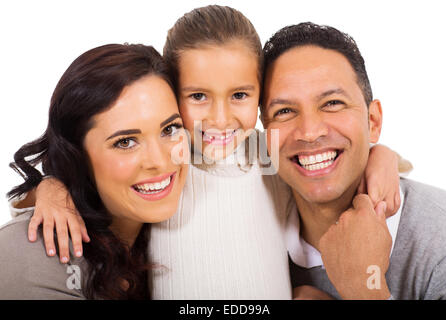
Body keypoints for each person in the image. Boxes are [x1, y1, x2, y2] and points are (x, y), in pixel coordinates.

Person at [10, 6, 406, 299]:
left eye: (239, 95)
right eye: (198, 96)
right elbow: (84, 183)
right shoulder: (167, 162)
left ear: (261, 95)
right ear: (172, 92)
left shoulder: (264, 153)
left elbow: (329, 159)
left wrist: (381, 155)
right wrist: (51, 188)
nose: (219, 120)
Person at [262, 22, 446, 299]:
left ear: (372, 121)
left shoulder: (442, 244)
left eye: (332, 103)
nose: (310, 132)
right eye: (284, 111)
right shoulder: (250, 218)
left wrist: (364, 288)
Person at [0, 44, 188, 299]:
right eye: (125, 142)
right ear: (76, 156)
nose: (160, 160)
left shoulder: (158, 235)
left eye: (170, 129)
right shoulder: (34, 255)